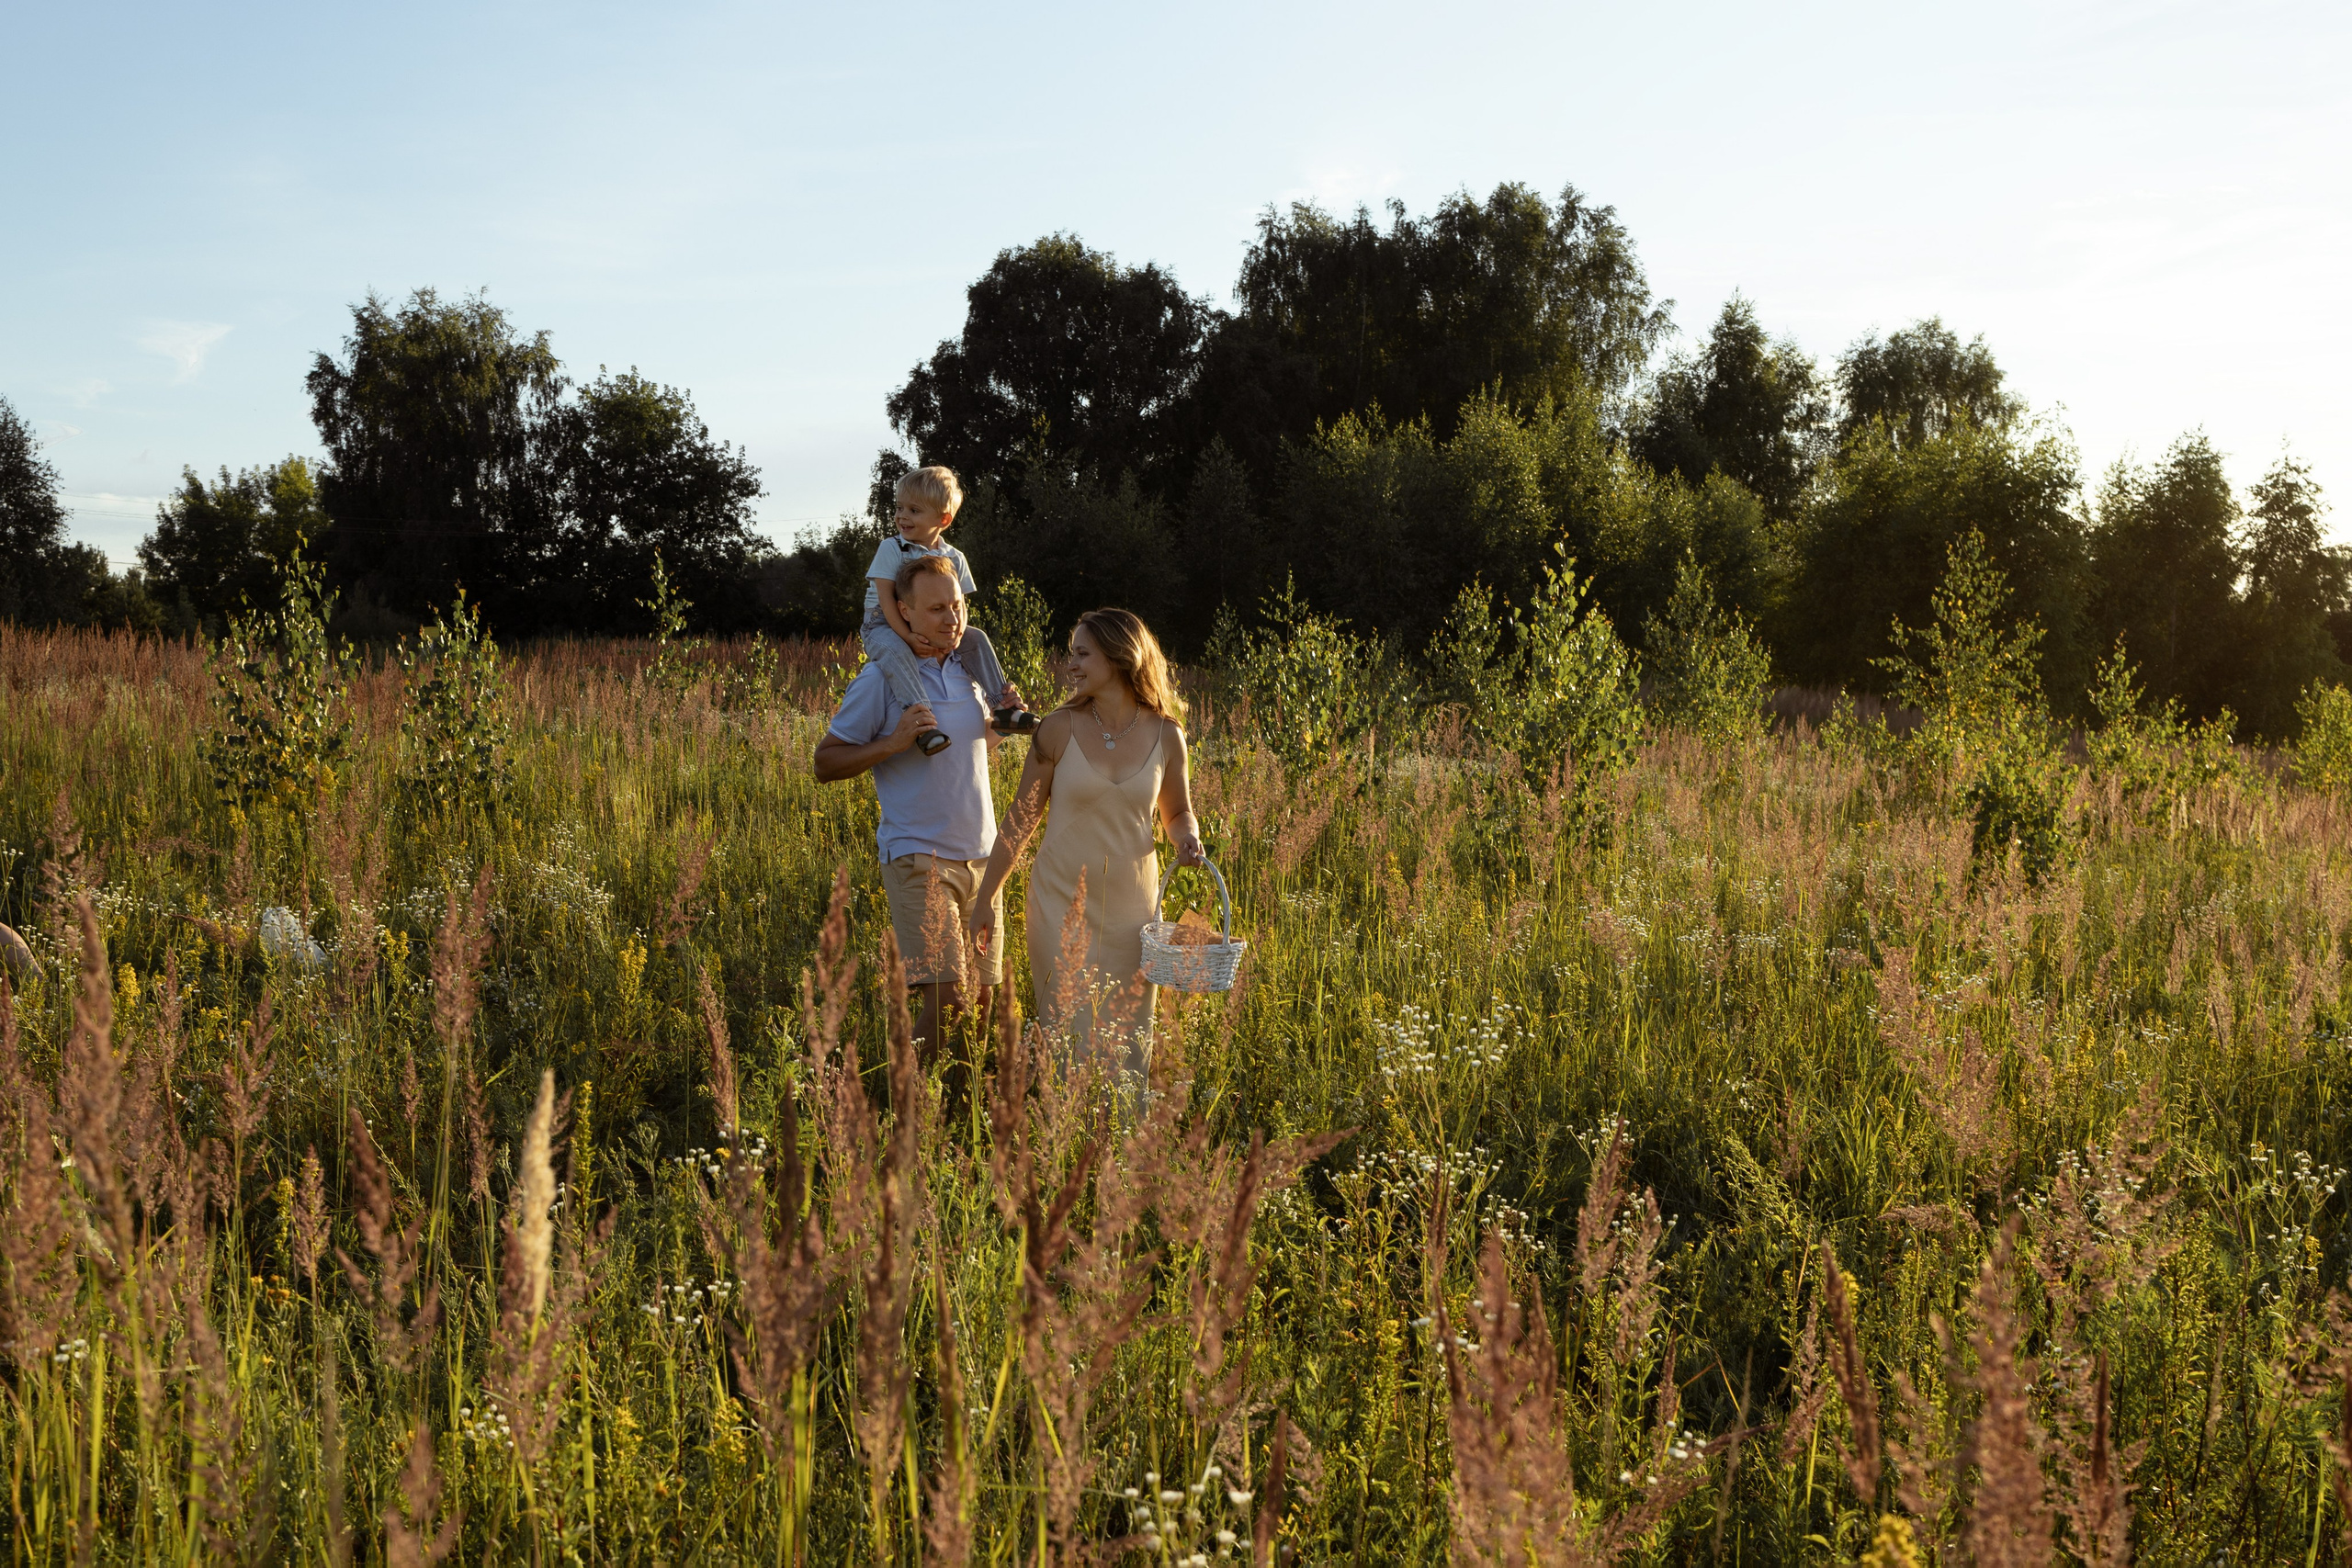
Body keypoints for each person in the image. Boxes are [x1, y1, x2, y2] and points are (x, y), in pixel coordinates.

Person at [971, 608, 1204, 1100]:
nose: (1070, 664)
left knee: (1128, 1039)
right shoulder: (1057, 728)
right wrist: (986, 899)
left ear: (1119, 656)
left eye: (1082, 653)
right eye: (1071, 652)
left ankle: (1118, 1150)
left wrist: (1187, 836)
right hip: (1059, 905)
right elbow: (1020, 819)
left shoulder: (1167, 735)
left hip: (1133, 915)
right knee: (1064, 1030)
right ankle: (1061, 1140)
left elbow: (1178, 812)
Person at [815, 554, 1004, 1057]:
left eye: (958, 605)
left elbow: (974, 748)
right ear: (904, 612)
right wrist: (892, 743)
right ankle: (911, 1108)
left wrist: (1001, 727)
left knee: (982, 1000)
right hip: (920, 859)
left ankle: (963, 1114)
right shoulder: (883, 679)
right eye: (938, 609)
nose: (953, 619)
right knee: (947, 1000)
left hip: (984, 861)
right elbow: (825, 762)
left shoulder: (969, 672)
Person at [863, 464, 1035, 755]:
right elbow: (887, 601)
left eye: (914, 510)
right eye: (900, 507)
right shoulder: (891, 548)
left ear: (943, 518)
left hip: (932, 624)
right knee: (895, 651)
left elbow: (961, 606)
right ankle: (925, 726)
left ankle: (1004, 707)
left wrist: (957, 635)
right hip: (884, 625)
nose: (902, 516)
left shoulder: (954, 557)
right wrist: (906, 636)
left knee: (976, 637)